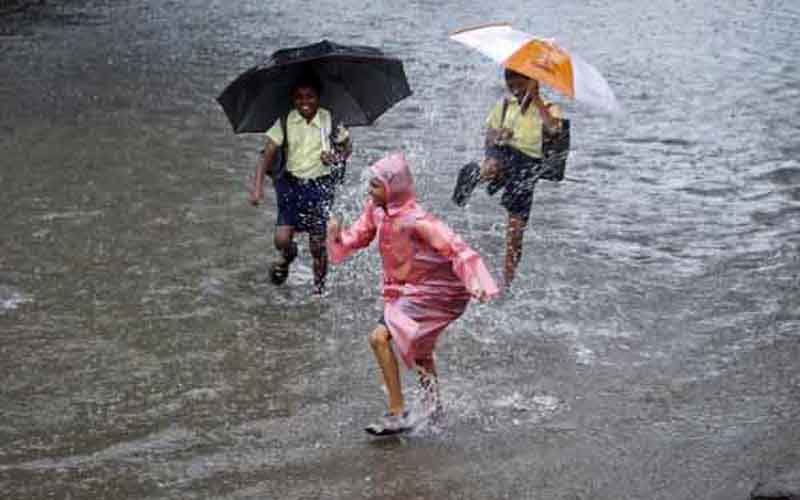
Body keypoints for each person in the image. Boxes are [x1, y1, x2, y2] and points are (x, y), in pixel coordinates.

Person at [327, 152, 499, 434]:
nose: (369, 191)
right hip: (405, 289)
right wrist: (336, 235)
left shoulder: (417, 219)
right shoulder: (376, 210)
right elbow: (357, 237)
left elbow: (455, 248)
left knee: (379, 338)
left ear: (393, 187)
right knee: (420, 350)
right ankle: (434, 407)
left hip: (435, 291)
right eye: (370, 184)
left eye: (375, 185)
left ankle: (397, 411)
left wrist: (475, 282)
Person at [452, 68, 565, 287]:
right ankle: (474, 176)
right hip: (504, 152)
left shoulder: (550, 108)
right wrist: (499, 135)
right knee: (493, 164)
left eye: (518, 80)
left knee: (515, 231)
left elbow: (554, 130)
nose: (512, 85)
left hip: (528, 165)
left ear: (532, 80)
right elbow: (489, 136)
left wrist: (536, 100)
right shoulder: (504, 105)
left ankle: (507, 281)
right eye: (508, 80)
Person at [250, 73, 352, 294]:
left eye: (310, 96)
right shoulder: (286, 121)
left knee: (318, 245)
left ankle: (319, 291)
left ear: (319, 97)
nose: (305, 102)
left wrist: (335, 158)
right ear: (293, 99)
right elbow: (266, 156)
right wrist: (257, 188)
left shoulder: (330, 120)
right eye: (299, 97)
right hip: (291, 186)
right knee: (281, 239)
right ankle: (289, 256)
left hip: (320, 187)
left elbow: (347, 148)